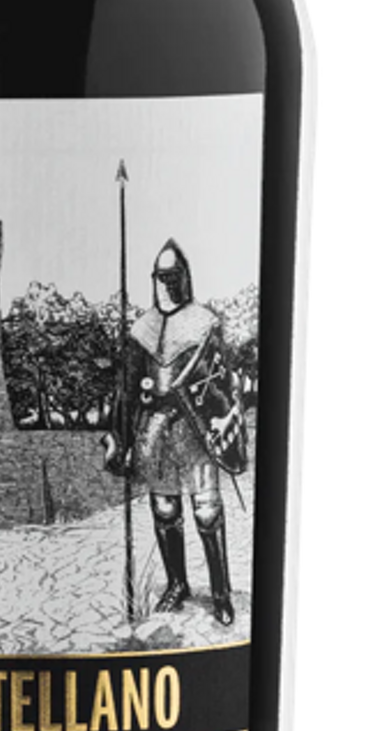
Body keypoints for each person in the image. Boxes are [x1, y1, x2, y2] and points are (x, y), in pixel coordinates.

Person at [106, 239, 241, 626]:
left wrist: (221, 420)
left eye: (172, 275)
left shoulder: (205, 323)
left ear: (184, 277)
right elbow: (127, 389)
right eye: (160, 276)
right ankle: (178, 585)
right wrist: (120, 437)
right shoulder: (142, 330)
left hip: (194, 428)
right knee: (165, 509)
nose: (166, 283)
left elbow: (222, 381)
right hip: (155, 427)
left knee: (207, 511)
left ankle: (221, 594)